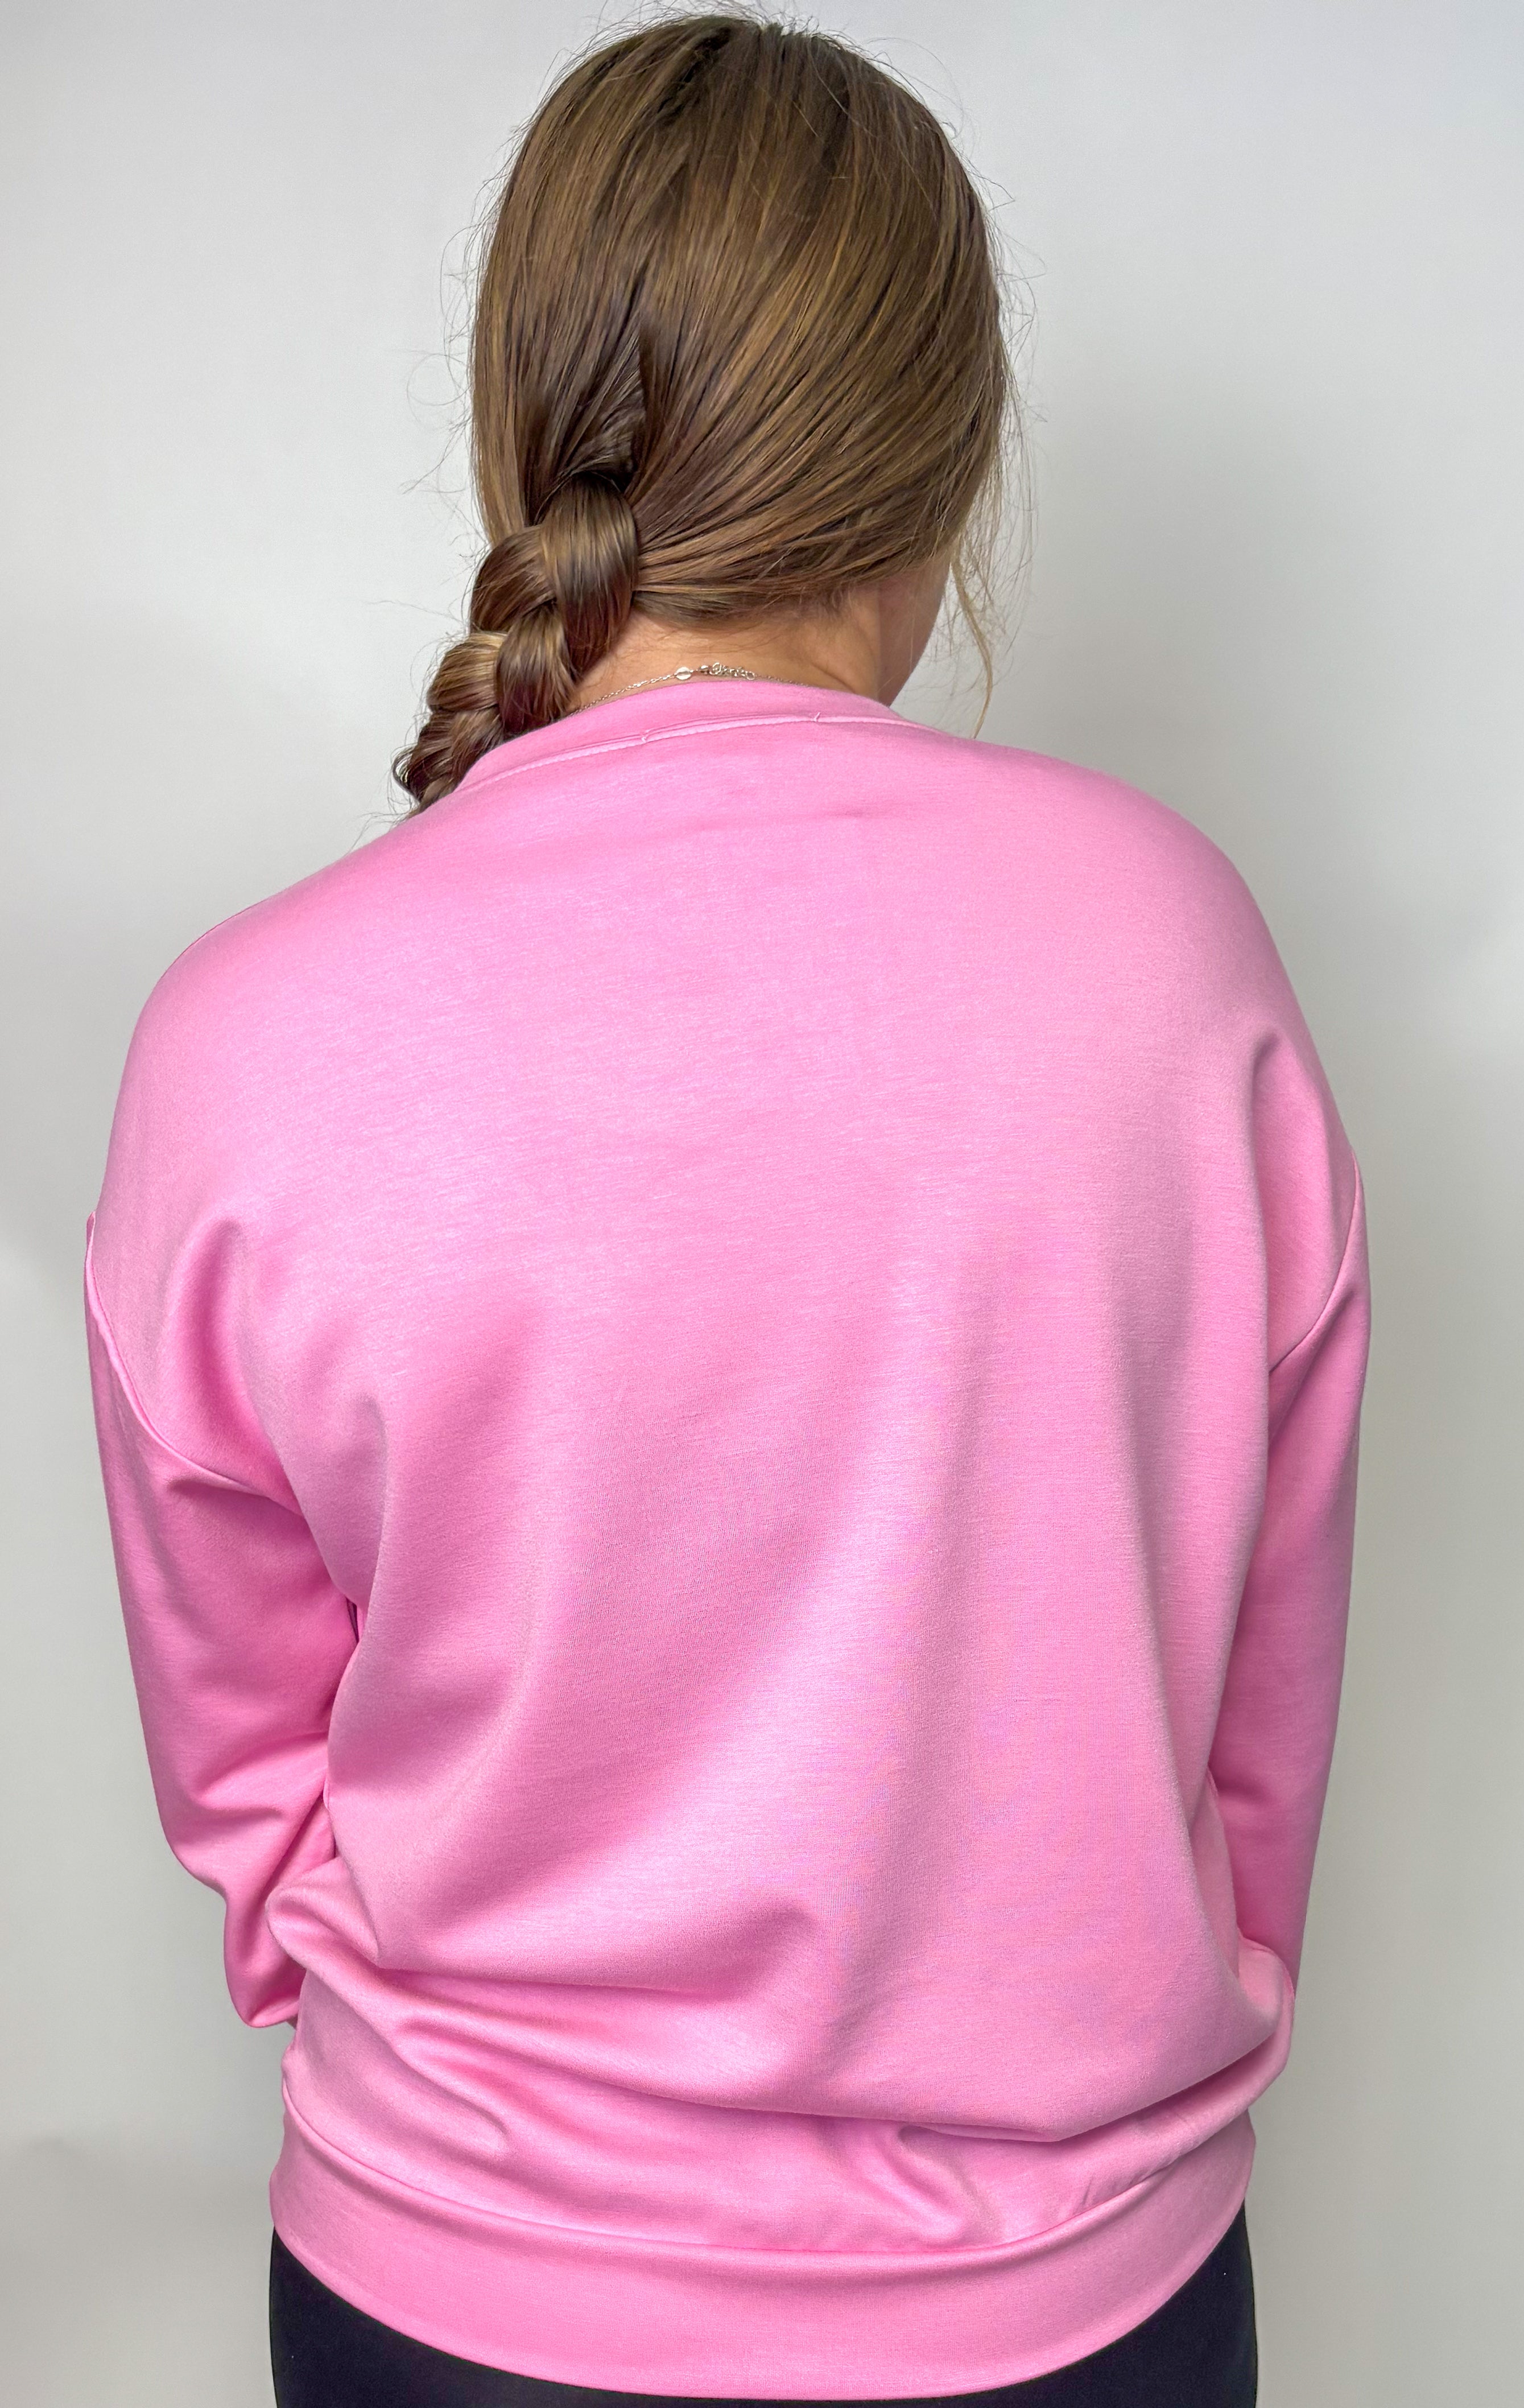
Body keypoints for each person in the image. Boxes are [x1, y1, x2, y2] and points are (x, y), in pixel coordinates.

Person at [83, 14, 1370, 2407]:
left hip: (456, 2284)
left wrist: (456, 2072)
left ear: (526, 431)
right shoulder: (1176, 951)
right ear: (949, 463)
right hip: (1070, 2290)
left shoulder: (246, 1032)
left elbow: (238, 1753)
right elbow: (1252, 1683)